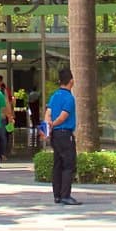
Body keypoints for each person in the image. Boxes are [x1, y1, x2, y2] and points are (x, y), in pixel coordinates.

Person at [46, 69, 79, 206]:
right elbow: (64, 116)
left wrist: (49, 127)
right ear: (71, 81)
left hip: (55, 135)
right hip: (65, 134)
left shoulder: (54, 95)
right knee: (68, 165)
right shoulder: (69, 97)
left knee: (57, 164)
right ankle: (66, 195)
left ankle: (57, 195)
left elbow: (48, 113)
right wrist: (54, 124)